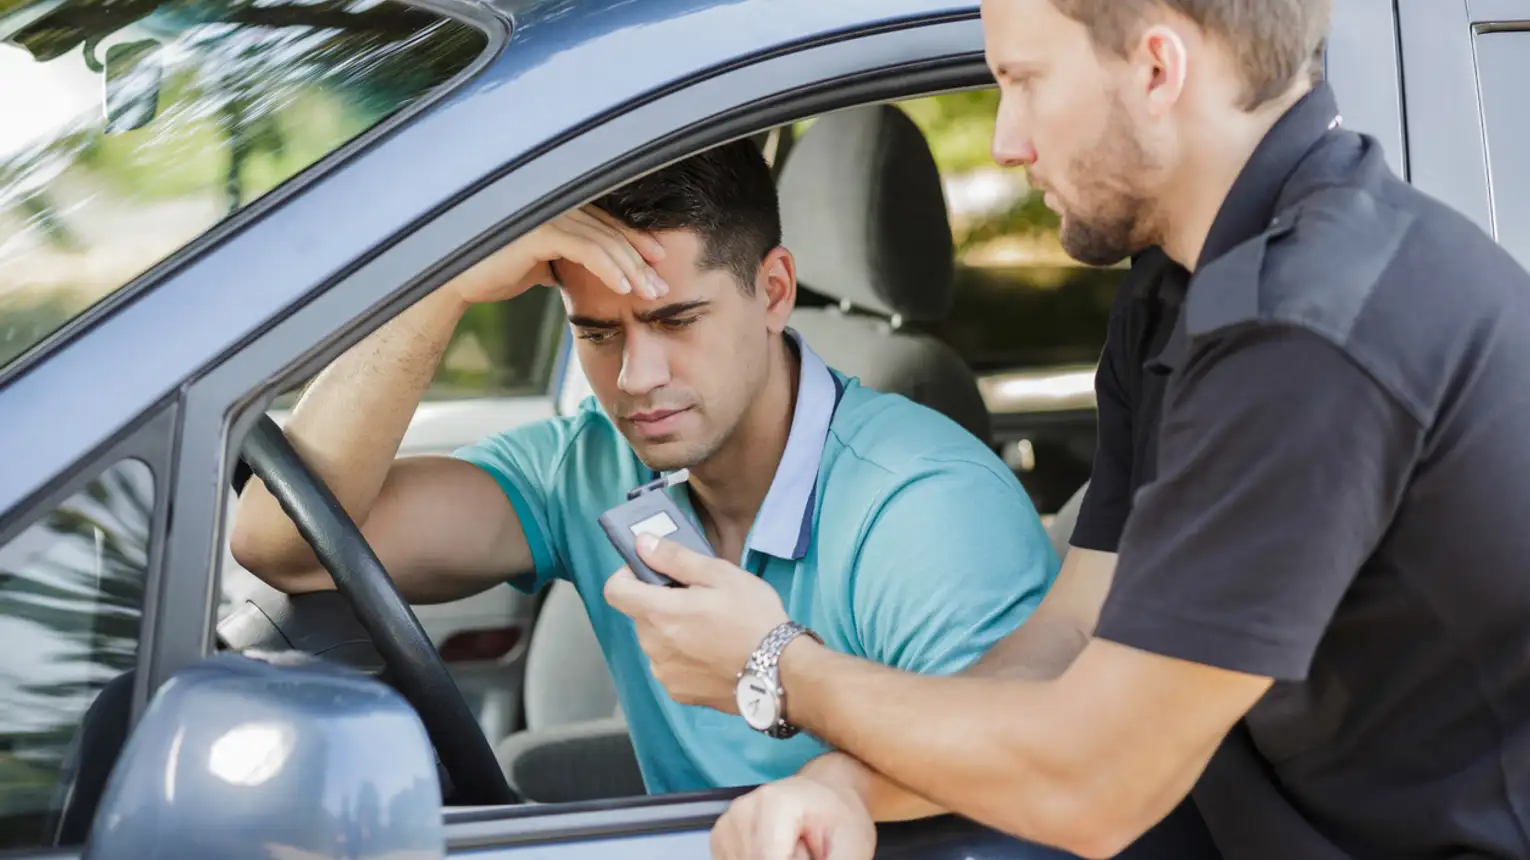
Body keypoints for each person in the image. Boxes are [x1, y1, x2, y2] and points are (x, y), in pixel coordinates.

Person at [603, 0, 1530, 858]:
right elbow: (1069, 641)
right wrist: (840, 782)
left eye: (1023, 82)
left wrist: (774, 666)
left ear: (1158, 69)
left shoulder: (1309, 331)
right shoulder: (1178, 293)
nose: (1006, 143)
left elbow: (1098, 780)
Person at [229, 140, 1061, 796]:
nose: (634, 379)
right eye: (598, 333)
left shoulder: (923, 503)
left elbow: (1019, 787)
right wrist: (441, 288)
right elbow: (286, 546)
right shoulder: (589, 462)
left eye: (676, 319)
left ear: (774, 293)